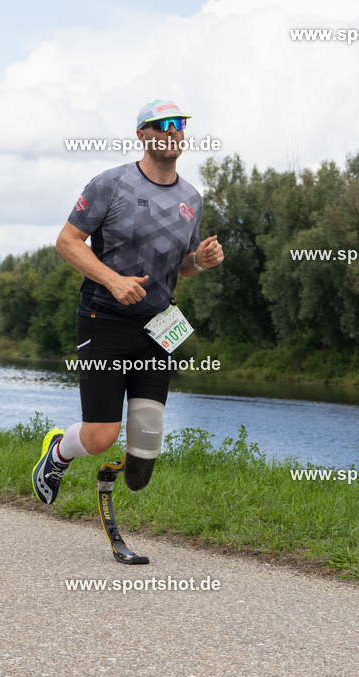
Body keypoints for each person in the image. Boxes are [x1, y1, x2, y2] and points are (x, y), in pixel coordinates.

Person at [32, 99, 224, 511]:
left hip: (158, 329)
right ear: (142, 135)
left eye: (178, 124)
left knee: (142, 463)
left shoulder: (192, 198)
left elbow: (184, 266)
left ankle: (120, 486)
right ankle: (58, 452)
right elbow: (67, 242)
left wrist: (201, 262)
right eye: (161, 124)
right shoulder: (111, 184)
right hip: (104, 320)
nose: (172, 131)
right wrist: (113, 280)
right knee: (101, 436)